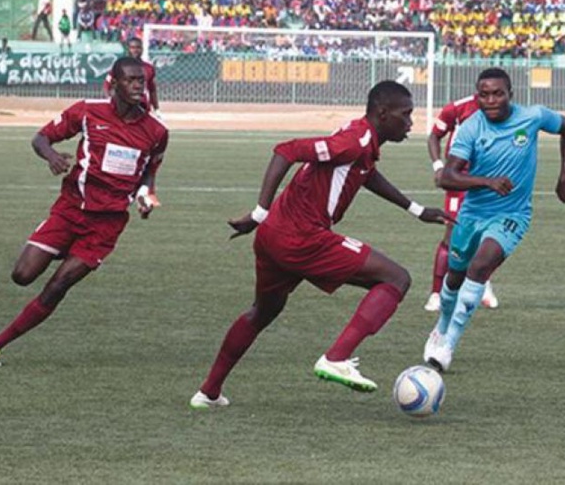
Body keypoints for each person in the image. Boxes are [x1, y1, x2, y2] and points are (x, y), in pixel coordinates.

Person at [189, 81, 451, 409]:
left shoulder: (363, 140)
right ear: (383, 114)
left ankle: (208, 392)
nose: (411, 123)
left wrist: (416, 210)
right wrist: (258, 211)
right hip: (302, 237)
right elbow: (287, 150)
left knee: (262, 312)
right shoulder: (354, 141)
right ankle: (336, 357)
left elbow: (366, 173)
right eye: (406, 114)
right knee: (396, 278)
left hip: (273, 237)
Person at [0, 57, 168, 367]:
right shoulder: (88, 111)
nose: (138, 85)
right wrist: (51, 156)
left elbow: (149, 171)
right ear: (114, 82)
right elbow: (40, 138)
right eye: (131, 80)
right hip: (70, 210)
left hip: (106, 225)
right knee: (22, 275)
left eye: (141, 80)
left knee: (59, 284)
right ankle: (62, 248)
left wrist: (146, 194)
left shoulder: (156, 131)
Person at [423, 67, 565, 372]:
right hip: (472, 213)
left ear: (510, 94)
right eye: (484, 94)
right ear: (477, 96)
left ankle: (449, 345)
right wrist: (486, 181)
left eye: (498, 94)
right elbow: (447, 178)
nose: (491, 100)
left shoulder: (532, 117)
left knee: (481, 265)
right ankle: (441, 328)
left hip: (512, 214)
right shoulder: (470, 127)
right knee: (454, 276)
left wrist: (564, 176)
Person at [425, 95, 499, 313]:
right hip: (458, 180)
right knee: (451, 237)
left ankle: (483, 286)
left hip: (487, 180)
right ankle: (437, 293)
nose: (491, 97)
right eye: (485, 92)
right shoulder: (457, 109)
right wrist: (439, 166)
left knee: (487, 237)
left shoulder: (503, 112)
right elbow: (434, 136)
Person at [103, 37, 159, 114]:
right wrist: (109, 99)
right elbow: (107, 84)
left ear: (142, 49)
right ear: (128, 49)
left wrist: (156, 109)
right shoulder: (120, 66)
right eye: (132, 48)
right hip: (123, 107)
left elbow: (152, 90)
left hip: (143, 107)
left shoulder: (149, 68)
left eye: (138, 47)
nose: (135, 50)